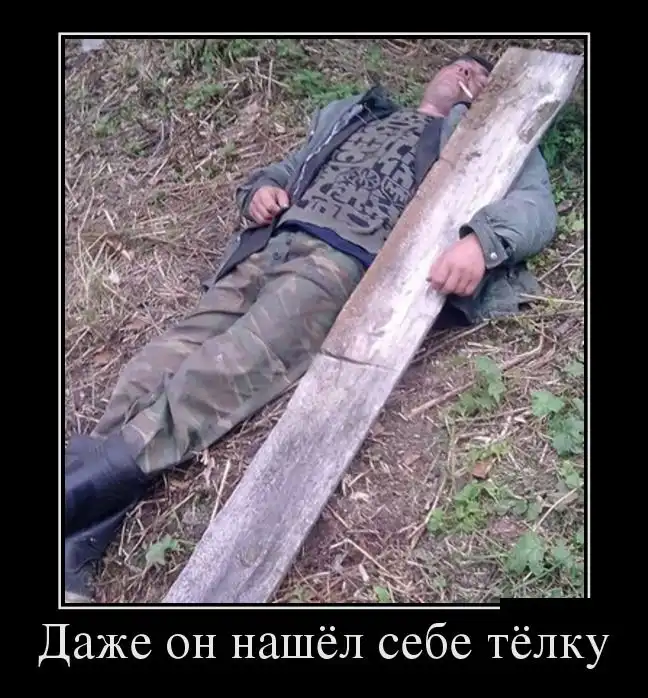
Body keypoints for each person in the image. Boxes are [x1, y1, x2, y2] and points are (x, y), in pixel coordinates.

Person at [64, 53, 558, 602]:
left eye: (481, 76)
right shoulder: (360, 114)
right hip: (271, 248)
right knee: (153, 364)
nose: (466, 75)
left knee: (231, 365)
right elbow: (287, 168)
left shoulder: (486, 137)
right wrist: (261, 190)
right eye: (459, 65)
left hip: (344, 263)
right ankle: (79, 536)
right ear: (433, 77)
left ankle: (73, 498)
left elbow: (536, 207)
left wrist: (482, 243)